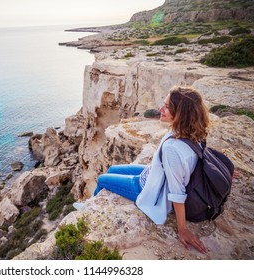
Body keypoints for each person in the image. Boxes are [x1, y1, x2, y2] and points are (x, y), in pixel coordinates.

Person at [75, 86, 210, 254]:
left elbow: (177, 191)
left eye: (167, 107)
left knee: (102, 179)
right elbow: (200, 157)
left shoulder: (172, 149)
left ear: (181, 113)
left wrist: (182, 229)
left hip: (144, 186)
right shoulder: (191, 133)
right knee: (112, 168)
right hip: (152, 173)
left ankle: (88, 210)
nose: (160, 109)